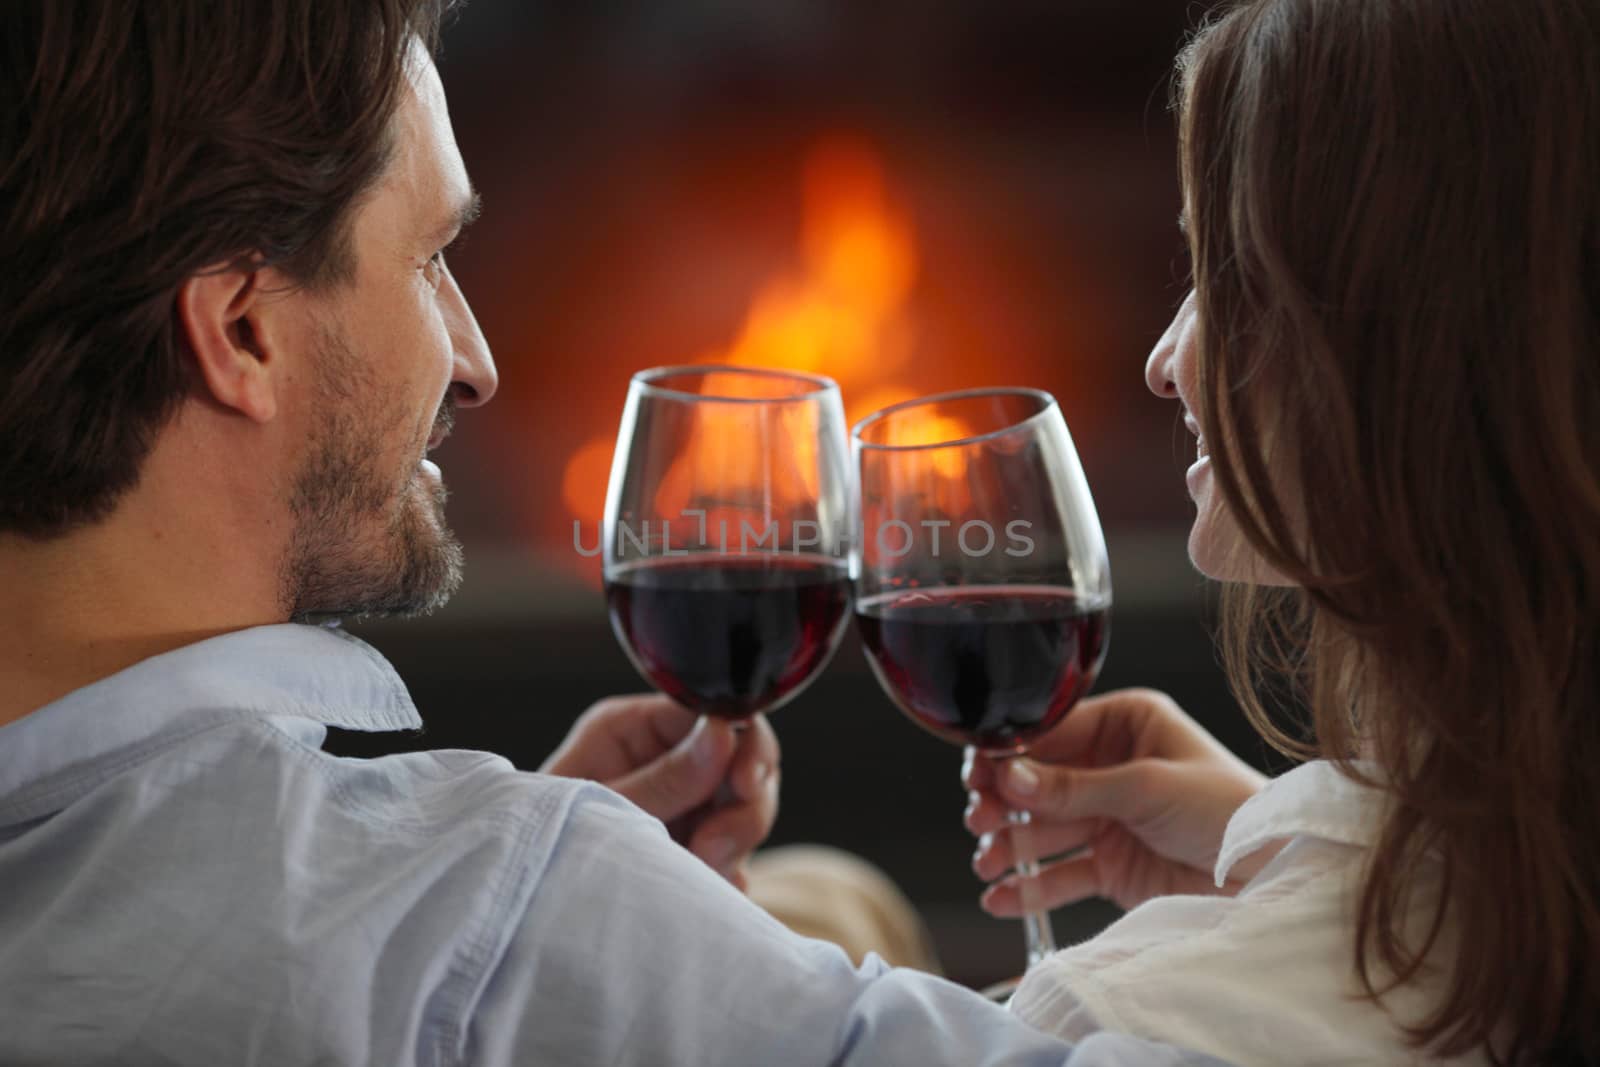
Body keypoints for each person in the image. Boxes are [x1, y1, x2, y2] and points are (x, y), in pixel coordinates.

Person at [0, 2, 1239, 1065]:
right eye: (432, 259)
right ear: (242, 331)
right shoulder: (478, 906)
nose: (474, 362)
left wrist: (584, 926)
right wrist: (1286, 874)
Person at [965, 1, 1600, 1064]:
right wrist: (1290, 836)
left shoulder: (1129, 1024)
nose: (1165, 362)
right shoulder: (1536, 926)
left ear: (1402, 345)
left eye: (1225, 269)